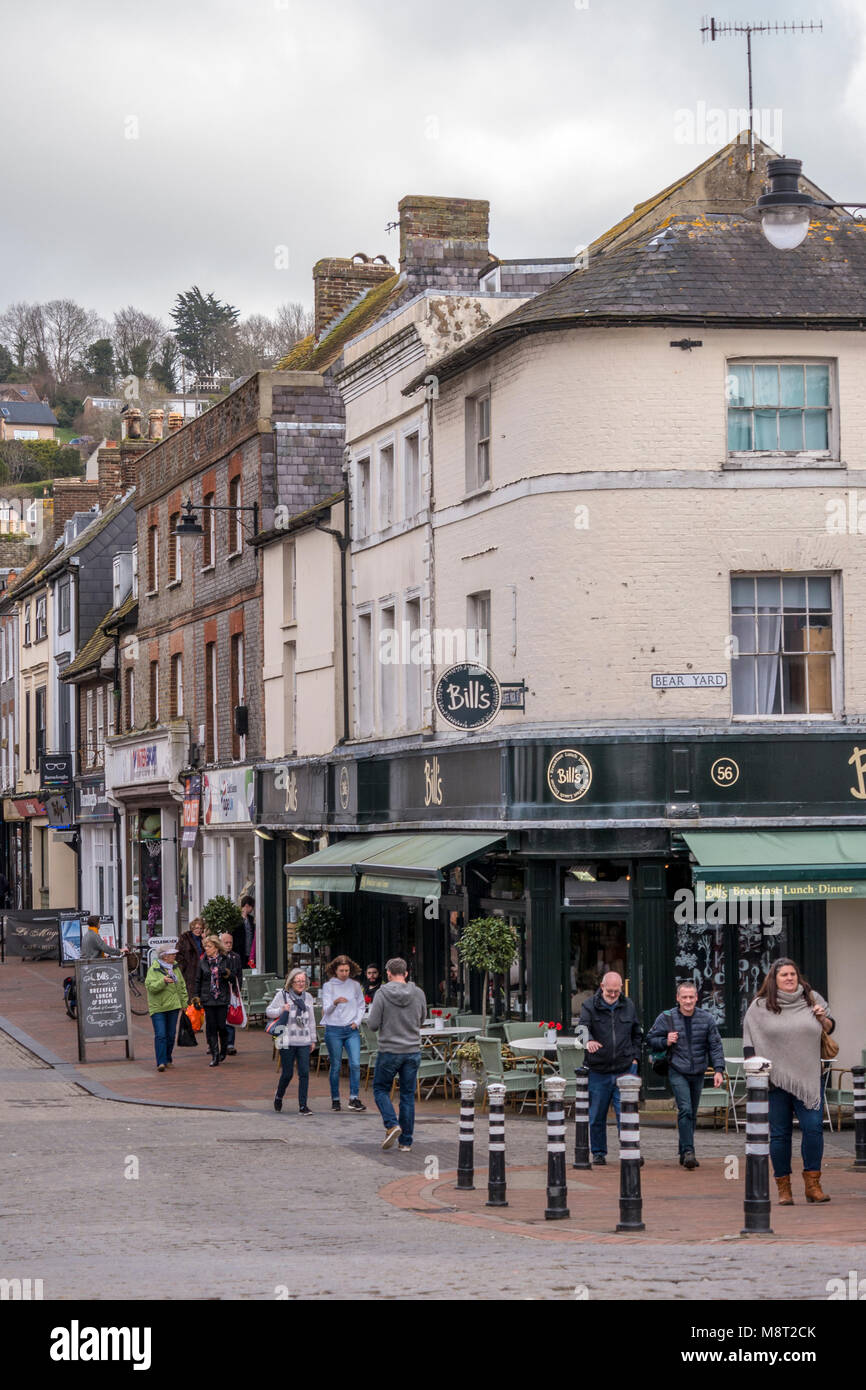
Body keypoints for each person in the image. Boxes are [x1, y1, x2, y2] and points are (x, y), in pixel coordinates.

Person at [743, 957, 835, 1206]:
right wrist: (757, 1078)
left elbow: (829, 1027)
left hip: (808, 1078)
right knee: (780, 1135)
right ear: (774, 979)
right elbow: (749, 1042)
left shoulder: (811, 998)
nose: (789, 978)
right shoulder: (760, 1006)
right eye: (784, 975)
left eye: (793, 974)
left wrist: (822, 1017)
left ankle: (813, 1184)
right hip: (774, 1081)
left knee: (814, 1128)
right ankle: (783, 1187)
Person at [646, 982, 725, 1169]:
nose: (688, 1001)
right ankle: (689, 1151)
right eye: (684, 997)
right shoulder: (666, 1018)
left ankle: (683, 1151)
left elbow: (715, 1046)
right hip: (677, 1069)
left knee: (692, 1113)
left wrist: (719, 1070)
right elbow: (650, 1039)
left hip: (698, 1071)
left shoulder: (706, 1019)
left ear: (697, 998)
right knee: (686, 1110)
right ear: (678, 998)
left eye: (691, 997)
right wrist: (665, 1041)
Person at [579, 971, 643, 1165]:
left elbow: (636, 1033)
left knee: (626, 1113)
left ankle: (630, 1150)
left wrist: (635, 1059)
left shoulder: (628, 1005)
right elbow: (581, 1029)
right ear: (602, 986)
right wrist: (588, 1041)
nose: (614, 995)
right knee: (597, 1114)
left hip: (625, 1067)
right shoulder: (589, 1005)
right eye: (610, 991)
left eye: (617, 991)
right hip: (599, 1068)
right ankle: (598, 1153)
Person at [368, 957, 427, 1151]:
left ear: (388, 974)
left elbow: (373, 1024)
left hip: (389, 1050)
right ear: (406, 972)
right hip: (412, 1050)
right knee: (408, 1096)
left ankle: (392, 1124)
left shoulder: (381, 994)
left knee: (380, 1089)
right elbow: (422, 1019)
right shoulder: (418, 993)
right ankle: (406, 1142)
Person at [266, 967, 317, 1115]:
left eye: (303, 981)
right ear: (291, 982)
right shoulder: (283, 995)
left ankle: (303, 1105)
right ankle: (279, 1095)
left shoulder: (308, 997)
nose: (301, 984)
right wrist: (282, 1009)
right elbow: (269, 1011)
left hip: (303, 1039)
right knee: (287, 1073)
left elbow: (312, 1020)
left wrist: (313, 1040)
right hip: (286, 1038)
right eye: (298, 981)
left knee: (304, 1073)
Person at [321, 956, 367, 1111]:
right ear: (335, 970)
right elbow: (326, 1010)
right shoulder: (328, 986)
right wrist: (335, 1002)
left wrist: (357, 1021)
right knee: (336, 1065)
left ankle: (354, 1097)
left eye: (347, 970)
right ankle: (335, 1098)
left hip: (351, 1029)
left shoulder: (355, 985)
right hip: (333, 1029)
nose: (345, 973)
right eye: (341, 970)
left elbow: (362, 1006)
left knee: (355, 1063)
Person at [195, 935, 238, 1067]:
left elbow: (233, 977)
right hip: (208, 998)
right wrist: (196, 996)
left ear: (215, 947)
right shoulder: (203, 962)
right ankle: (215, 1054)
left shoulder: (226, 960)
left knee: (221, 1026)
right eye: (205, 946)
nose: (206, 949)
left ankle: (223, 1049)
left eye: (208, 946)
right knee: (211, 1026)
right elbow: (198, 980)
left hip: (222, 998)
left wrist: (226, 972)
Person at [145, 945, 188, 1072]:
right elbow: (150, 987)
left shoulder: (175, 968)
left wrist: (184, 1003)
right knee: (161, 1035)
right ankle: (161, 1062)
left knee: (170, 1035)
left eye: (174, 954)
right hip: (158, 1007)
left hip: (173, 1006)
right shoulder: (154, 969)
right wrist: (162, 981)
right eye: (171, 954)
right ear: (164, 956)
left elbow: (181, 986)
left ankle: (168, 1058)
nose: (174, 956)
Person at [219, 931, 245, 1055]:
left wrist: (237, 989)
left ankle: (230, 1044)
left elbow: (239, 974)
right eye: (226, 943)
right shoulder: (217, 956)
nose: (229, 945)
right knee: (219, 1019)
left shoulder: (236, 957)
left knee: (231, 1016)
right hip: (219, 992)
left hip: (232, 991)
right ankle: (215, 1043)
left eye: (230, 943)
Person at [177, 917, 206, 997]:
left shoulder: (203, 939)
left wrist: (205, 940)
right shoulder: (184, 938)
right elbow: (178, 954)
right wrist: (183, 968)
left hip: (202, 969)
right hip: (189, 971)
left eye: (200, 928)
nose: (198, 930)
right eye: (196, 928)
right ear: (192, 928)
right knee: (190, 995)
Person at [240, 896, 256, 969]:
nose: (252, 909)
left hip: (250, 952)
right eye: (252, 907)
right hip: (240, 951)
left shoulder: (251, 918)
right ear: (247, 906)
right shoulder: (236, 918)